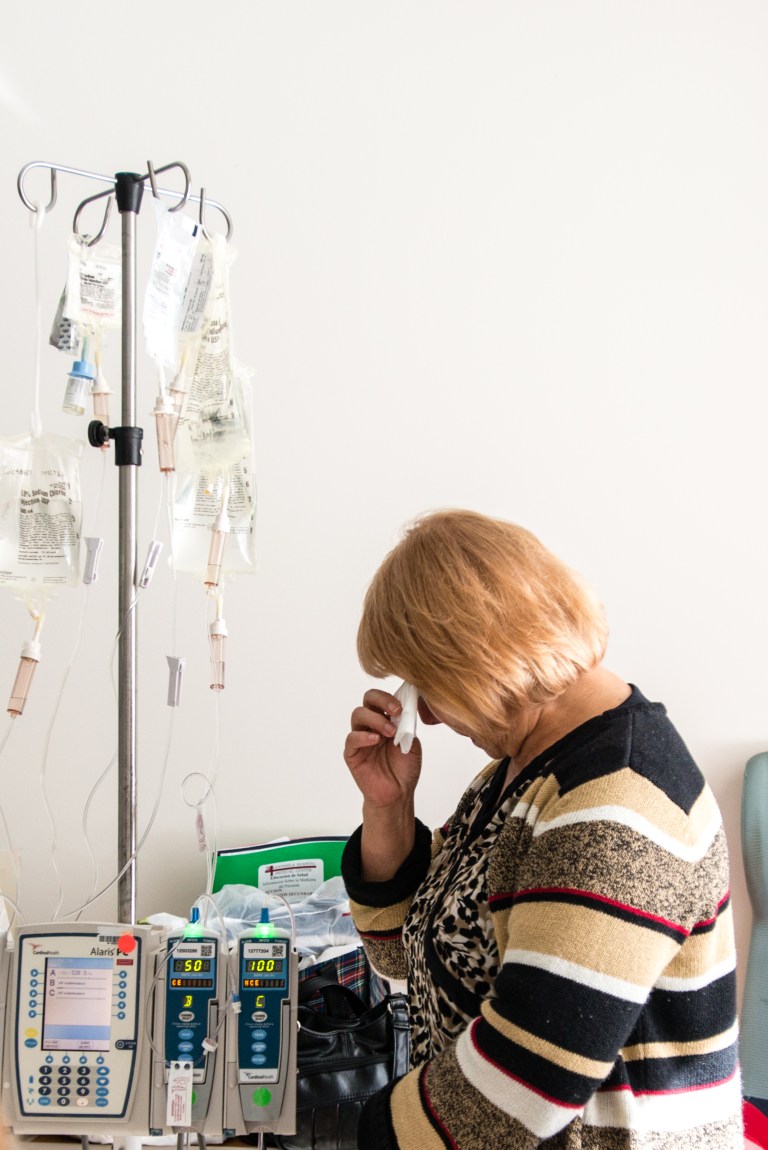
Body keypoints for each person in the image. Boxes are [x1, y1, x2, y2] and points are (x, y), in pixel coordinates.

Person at [341, 509, 742, 1149]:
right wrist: (387, 805)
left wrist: (361, 1134)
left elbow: (524, 1085)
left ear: (473, 659)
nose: (428, 716)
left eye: (427, 684)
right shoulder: (520, 771)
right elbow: (404, 960)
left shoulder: (615, 807)